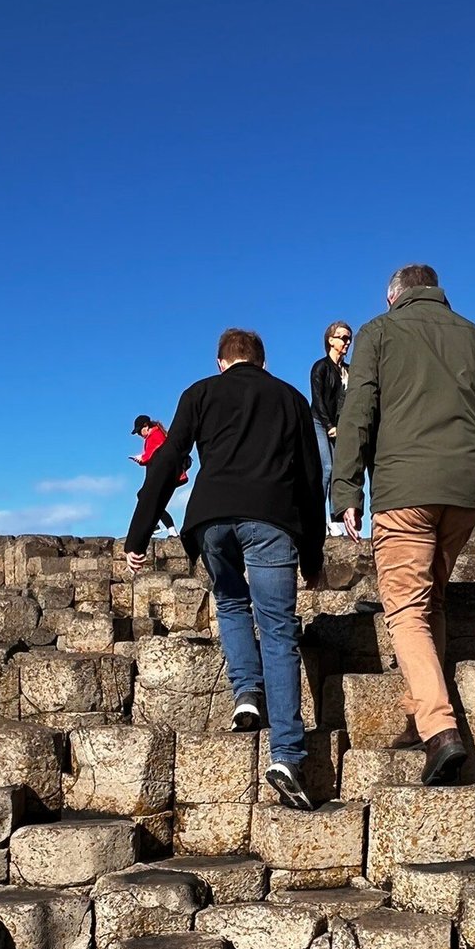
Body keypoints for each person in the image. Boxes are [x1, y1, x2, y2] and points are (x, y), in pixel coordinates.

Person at [332, 264, 475, 785]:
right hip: (462, 495)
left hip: (403, 491)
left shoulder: (379, 332)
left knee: (404, 608)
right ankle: (420, 708)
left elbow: (357, 417)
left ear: (394, 295)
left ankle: (440, 732)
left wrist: (346, 489)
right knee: (432, 601)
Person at [124, 329, 325, 811]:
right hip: (272, 519)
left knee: (232, 603)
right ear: (261, 361)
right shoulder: (291, 398)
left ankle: (246, 694)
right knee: (278, 631)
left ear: (221, 362)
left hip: (212, 519)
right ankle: (287, 756)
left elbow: (167, 460)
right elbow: (311, 479)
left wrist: (139, 533)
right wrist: (314, 553)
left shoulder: (200, 392)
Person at [310, 322, 353, 535]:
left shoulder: (348, 371)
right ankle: (317, 519)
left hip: (339, 426)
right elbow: (317, 399)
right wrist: (328, 425)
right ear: (331, 340)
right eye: (343, 338)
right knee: (326, 468)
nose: (347, 343)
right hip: (319, 421)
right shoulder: (320, 367)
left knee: (339, 471)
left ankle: (336, 520)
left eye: (349, 339)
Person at [130, 416, 188, 534]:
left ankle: (157, 526)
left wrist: (141, 459)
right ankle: (172, 532)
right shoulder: (157, 434)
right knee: (156, 502)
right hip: (165, 475)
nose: (139, 435)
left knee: (144, 496)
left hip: (162, 476)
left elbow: (153, 454)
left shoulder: (155, 435)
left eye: (139, 431)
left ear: (146, 426)